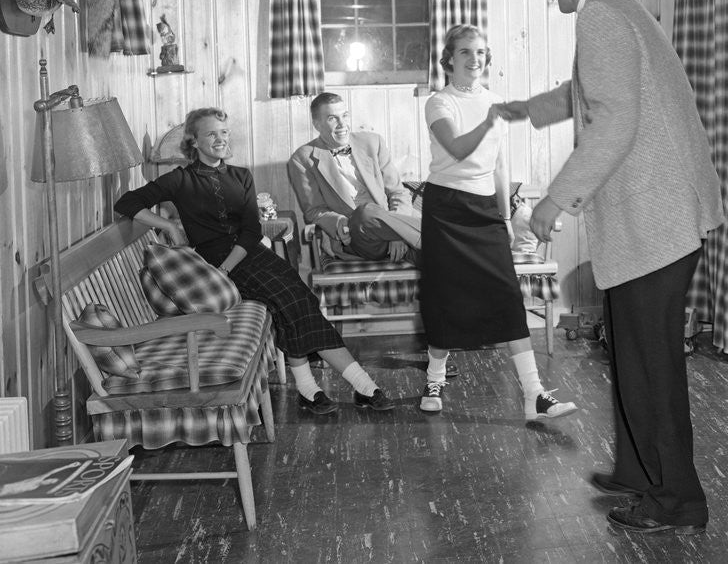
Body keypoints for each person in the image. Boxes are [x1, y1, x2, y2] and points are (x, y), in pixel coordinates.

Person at [496, 0, 724, 535]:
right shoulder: (621, 8)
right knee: (629, 352)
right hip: (662, 217)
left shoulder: (598, 17)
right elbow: (589, 91)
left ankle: (677, 499)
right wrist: (529, 110)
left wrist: (554, 202)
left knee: (652, 365)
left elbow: (615, 120)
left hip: (656, 222)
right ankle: (635, 469)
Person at [114, 107, 395, 416]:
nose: (220, 139)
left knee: (297, 300)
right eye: (211, 134)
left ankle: (317, 388)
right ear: (194, 141)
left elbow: (251, 231)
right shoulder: (178, 180)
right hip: (211, 258)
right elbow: (126, 203)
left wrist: (226, 269)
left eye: (224, 132)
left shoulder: (241, 175)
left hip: (247, 254)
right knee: (291, 301)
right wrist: (168, 225)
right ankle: (359, 387)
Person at [417, 24, 577, 422]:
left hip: (485, 209)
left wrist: (504, 218)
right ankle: (434, 378)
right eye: (467, 52)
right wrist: (489, 121)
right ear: (449, 59)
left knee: (507, 296)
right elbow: (455, 149)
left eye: (482, 52)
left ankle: (535, 395)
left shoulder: (494, 101)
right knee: (443, 296)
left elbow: (500, 165)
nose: (476, 59)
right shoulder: (439, 103)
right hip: (446, 209)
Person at [288, 93, 421, 265]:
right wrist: (336, 224)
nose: (342, 124)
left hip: (391, 234)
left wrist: (396, 235)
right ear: (317, 125)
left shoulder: (373, 143)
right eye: (332, 119)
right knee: (364, 213)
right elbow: (314, 210)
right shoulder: (303, 159)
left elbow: (398, 192)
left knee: (441, 260)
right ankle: (432, 234)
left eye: (345, 115)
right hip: (354, 238)